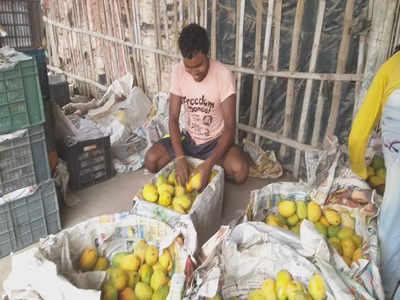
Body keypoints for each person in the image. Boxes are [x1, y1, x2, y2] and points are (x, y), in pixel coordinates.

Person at [145, 23, 249, 190]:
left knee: (240, 172)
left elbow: (230, 128)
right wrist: (180, 158)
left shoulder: (223, 75)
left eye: (198, 65)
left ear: (206, 54)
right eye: (189, 67)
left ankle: (207, 167)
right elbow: (172, 118)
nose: (194, 73)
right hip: (189, 141)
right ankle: (192, 164)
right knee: (151, 160)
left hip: (215, 143)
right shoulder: (178, 72)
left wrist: (209, 164)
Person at [348, 47, 400, 299]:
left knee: (391, 228)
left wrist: (361, 170)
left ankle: (387, 291)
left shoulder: (392, 67)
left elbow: (358, 135)